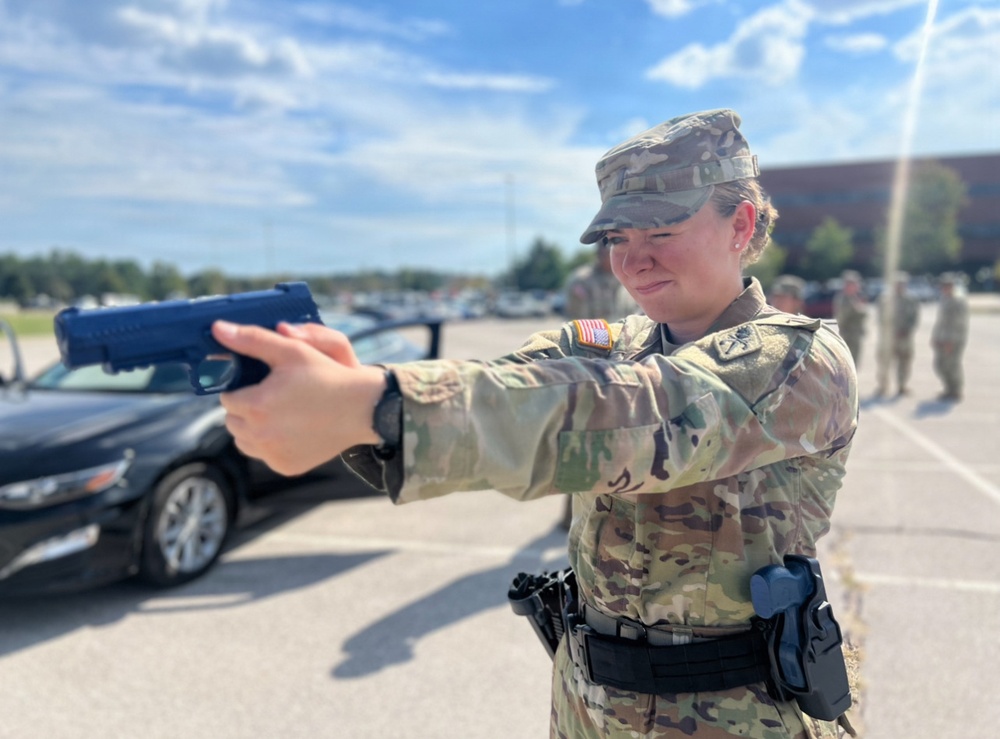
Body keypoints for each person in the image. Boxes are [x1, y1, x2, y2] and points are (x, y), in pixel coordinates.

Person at [211, 109, 859, 738]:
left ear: (739, 225)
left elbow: (630, 413)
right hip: (587, 703)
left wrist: (375, 403)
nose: (633, 262)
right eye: (617, 239)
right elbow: (512, 389)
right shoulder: (612, 341)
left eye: (659, 233)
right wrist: (350, 391)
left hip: (730, 715)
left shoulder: (799, 360)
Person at [559, 241, 639, 528]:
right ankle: (571, 514)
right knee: (579, 441)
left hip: (618, 371)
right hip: (588, 370)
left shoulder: (624, 278)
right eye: (609, 249)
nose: (613, 255)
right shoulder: (582, 281)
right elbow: (577, 326)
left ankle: (606, 511)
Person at [876, 272, 920, 397]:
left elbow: (915, 318)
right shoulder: (885, 299)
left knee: (904, 362)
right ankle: (883, 386)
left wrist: (907, 330)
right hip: (889, 338)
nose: (900, 286)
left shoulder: (911, 300)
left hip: (905, 337)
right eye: (897, 284)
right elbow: (880, 318)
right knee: (884, 362)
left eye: (902, 284)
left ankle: (902, 385)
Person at [931, 272, 969, 401]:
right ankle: (948, 388)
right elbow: (940, 321)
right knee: (940, 365)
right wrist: (935, 337)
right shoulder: (944, 299)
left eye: (947, 285)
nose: (945, 288)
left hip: (954, 339)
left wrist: (950, 341)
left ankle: (956, 390)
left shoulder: (958, 301)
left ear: (952, 286)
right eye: (943, 285)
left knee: (952, 365)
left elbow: (958, 323)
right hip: (942, 338)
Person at [833, 271, 867, 368]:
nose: (857, 286)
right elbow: (842, 317)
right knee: (846, 365)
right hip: (848, 336)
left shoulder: (853, 298)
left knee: (854, 364)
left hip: (855, 335)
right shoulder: (844, 299)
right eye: (854, 284)